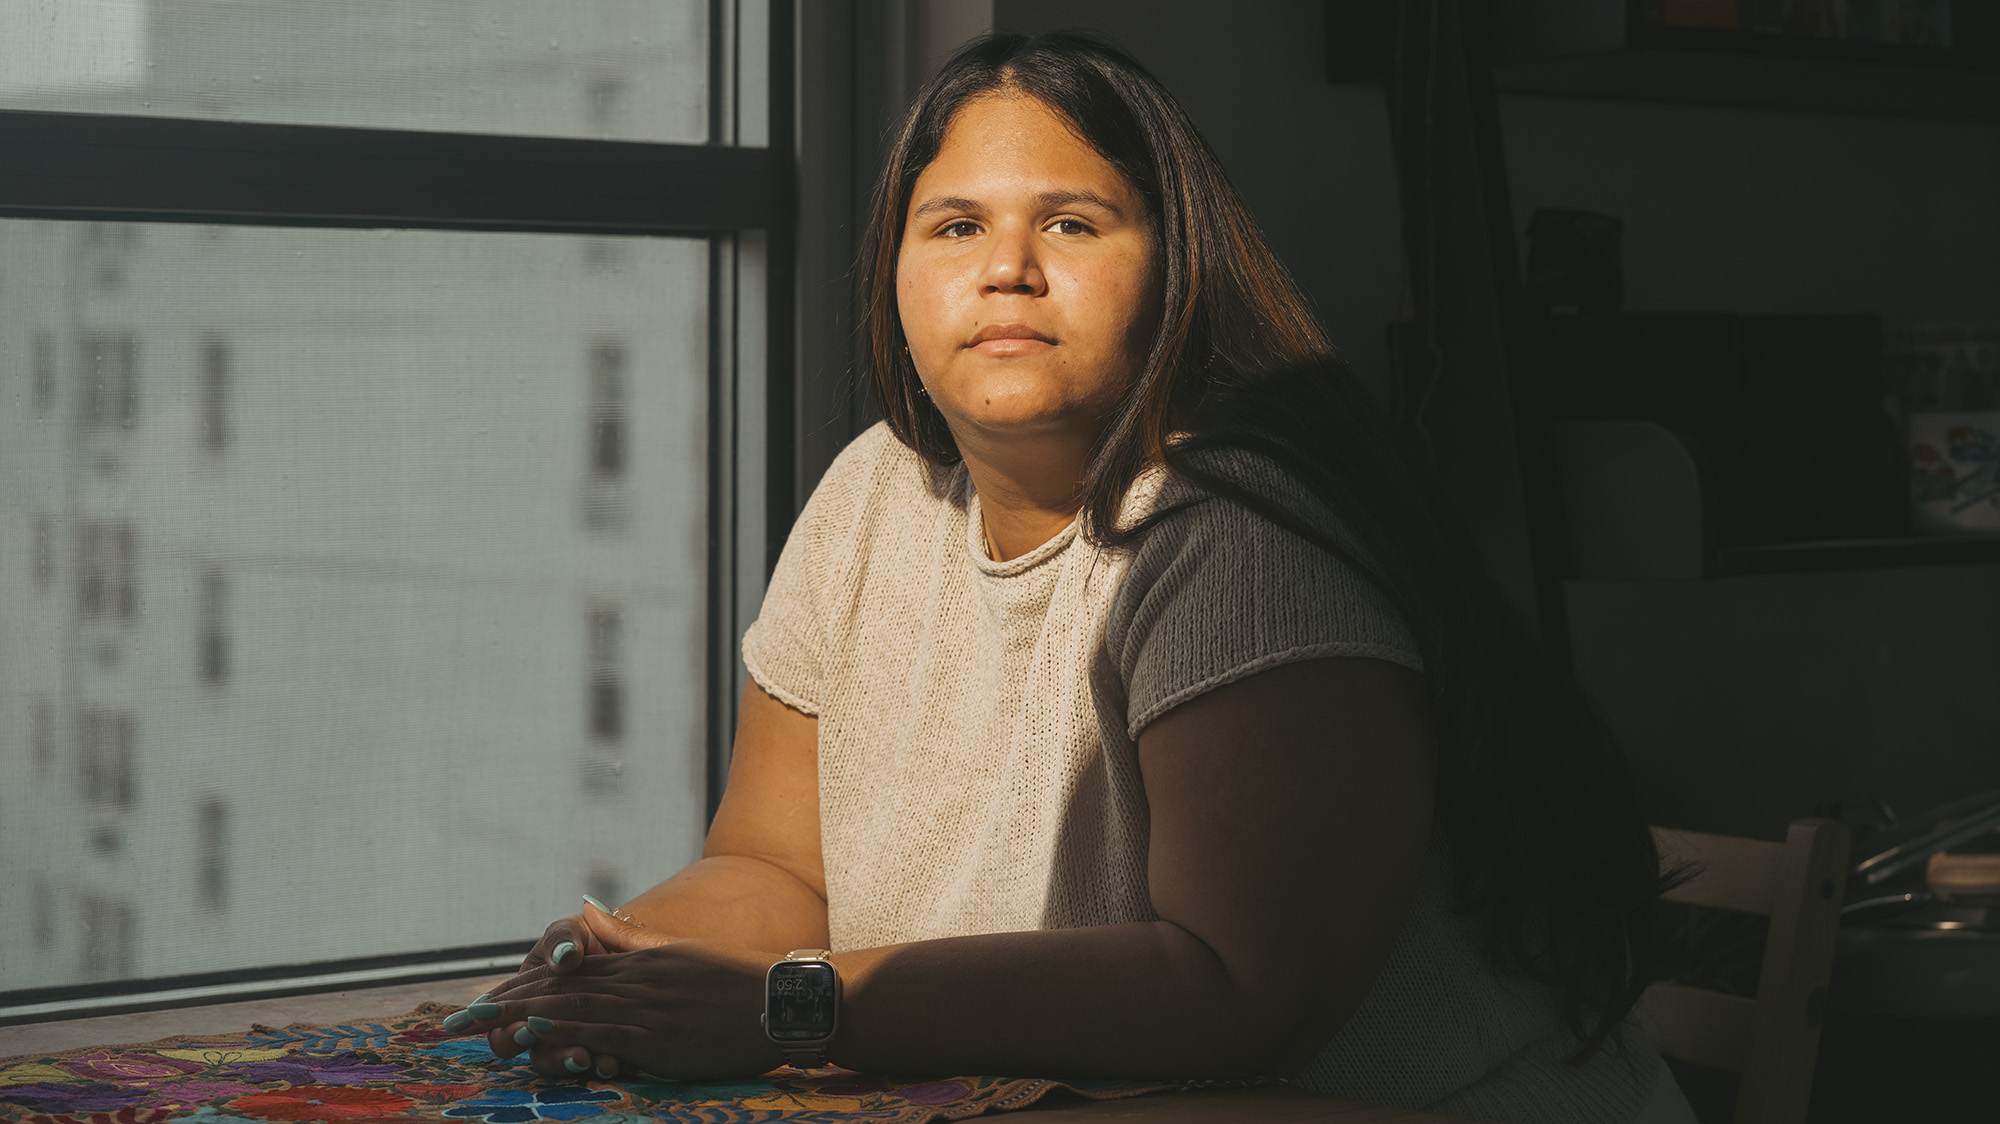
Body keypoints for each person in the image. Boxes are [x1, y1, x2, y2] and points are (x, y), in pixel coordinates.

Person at [447, 31, 1698, 1124]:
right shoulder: (869, 491)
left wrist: (791, 1008)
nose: (1006, 268)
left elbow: (1232, 989)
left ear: (1176, 266)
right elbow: (780, 870)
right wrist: (618, 973)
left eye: (1071, 222)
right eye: (954, 227)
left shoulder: (1238, 532)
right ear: (894, 279)